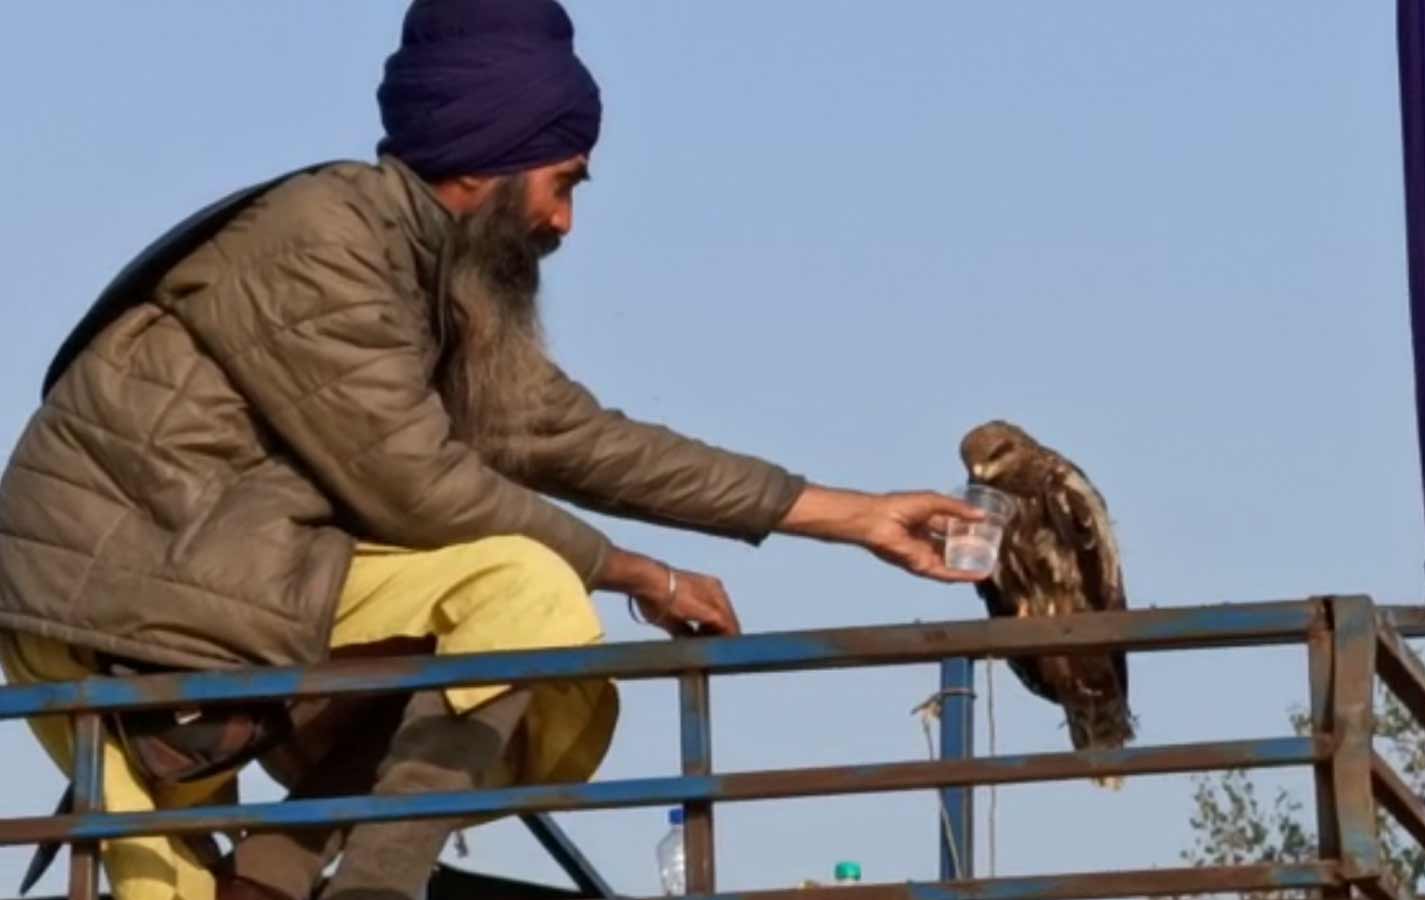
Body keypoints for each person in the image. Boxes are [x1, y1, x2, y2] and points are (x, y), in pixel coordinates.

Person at [0, 2, 983, 899]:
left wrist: (851, 517)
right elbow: (417, 484)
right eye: (562, 184)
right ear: (486, 159)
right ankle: (370, 887)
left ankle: (284, 867)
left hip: (243, 579)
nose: (562, 220)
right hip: (108, 595)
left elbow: (568, 434)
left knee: (523, 641)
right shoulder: (324, 240)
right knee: (524, 587)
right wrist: (637, 570)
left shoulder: (434, 271)